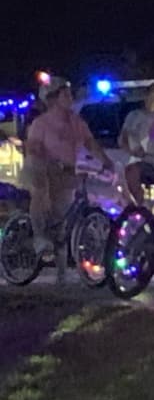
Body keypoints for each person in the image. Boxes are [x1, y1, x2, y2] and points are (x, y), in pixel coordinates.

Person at [23, 79, 113, 273]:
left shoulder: (76, 122)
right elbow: (33, 147)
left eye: (70, 95)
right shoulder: (42, 123)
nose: (70, 99)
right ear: (54, 99)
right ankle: (39, 235)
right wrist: (46, 159)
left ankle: (62, 271)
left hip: (66, 171)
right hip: (45, 169)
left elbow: (90, 143)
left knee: (63, 218)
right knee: (42, 194)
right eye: (66, 95)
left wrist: (105, 162)